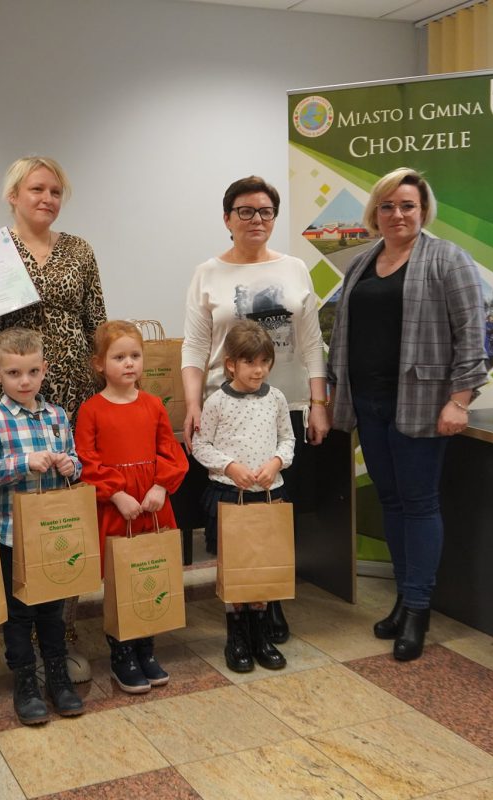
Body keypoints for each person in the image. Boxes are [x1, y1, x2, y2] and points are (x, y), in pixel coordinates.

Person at [326, 167, 486, 662]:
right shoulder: (361, 262)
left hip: (420, 404)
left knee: (418, 504)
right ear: (375, 212)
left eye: (408, 205)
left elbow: (472, 334)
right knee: (391, 502)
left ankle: (418, 609)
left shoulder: (447, 259)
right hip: (368, 403)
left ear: (424, 210)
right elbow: (344, 332)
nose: (398, 214)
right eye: (388, 206)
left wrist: (460, 400)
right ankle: (402, 598)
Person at [0, 156, 106, 683]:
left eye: (55, 191)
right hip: (8, 401)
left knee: (63, 517)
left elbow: (96, 323)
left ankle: (63, 633)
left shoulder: (80, 250)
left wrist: (106, 390)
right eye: (37, 189)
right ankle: (17, 629)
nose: (47, 199)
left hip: (68, 400)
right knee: (11, 517)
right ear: (13, 195)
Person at [181, 175, 328, 643]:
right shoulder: (207, 273)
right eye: (245, 211)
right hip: (225, 409)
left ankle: (271, 600)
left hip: (285, 406)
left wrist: (319, 402)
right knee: (238, 514)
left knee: (274, 510)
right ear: (228, 218)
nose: (256, 219)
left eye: (265, 211)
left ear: (274, 217)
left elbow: (311, 342)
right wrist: (192, 403)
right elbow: (195, 345)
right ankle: (242, 603)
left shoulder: (294, 268)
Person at [0, 327, 86, 725]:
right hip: (12, 534)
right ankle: (25, 681)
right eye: (14, 373)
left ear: (44, 370)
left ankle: (57, 676)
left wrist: (71, 465)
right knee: (20, 612)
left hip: (53, 532)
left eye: (33, 372)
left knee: (52, 610)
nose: (25, 381)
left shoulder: (57, 415)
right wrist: (24, 463)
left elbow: (75, 459)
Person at [75, 321, 189, 693]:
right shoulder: (91, 410)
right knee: (121, 578)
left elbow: (170, 451)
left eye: (135, 356)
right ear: (99, 364)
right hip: (117, 507)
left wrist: (160, 486)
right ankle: (122, 653)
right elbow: (86, 460)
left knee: (151, 572)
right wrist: (115, 494)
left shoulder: (153, 405)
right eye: (119, 357)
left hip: (152, 505)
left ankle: (146, 649)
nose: (129, 363)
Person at [191, 321, 295, 673]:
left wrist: (276, 462)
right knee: (236, 568)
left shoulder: (276, 398)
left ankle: (261, 636)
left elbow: (287, 439)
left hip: (268, 496)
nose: (259, 370)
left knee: (263, 565)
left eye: (265, 361)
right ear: (231, 364)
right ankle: (236, 637)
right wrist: (229, 466)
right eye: (250, 362)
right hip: (230, 497)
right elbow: (200, 444)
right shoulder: (217, 402)